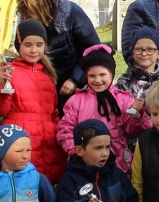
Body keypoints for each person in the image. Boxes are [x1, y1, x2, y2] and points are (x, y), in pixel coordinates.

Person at [0, 19, 66, 184]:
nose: (34, 50)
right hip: (20, 137)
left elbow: (53, 112)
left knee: (45, 187)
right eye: (28, 45)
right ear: (19, 45)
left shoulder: (48, 76)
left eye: (39, 45)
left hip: (47, 140)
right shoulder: (9, 72)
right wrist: (1, 86)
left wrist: (55, 133)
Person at [57, 44, 152, 175]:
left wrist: (138, 115)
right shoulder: (76, 101)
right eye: (92, 76)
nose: (97, 80)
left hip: (118, 166)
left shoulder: (123, 100)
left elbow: (134, 131)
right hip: (85, 165)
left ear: (111, 74)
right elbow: (65, 130)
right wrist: (76, 152)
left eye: (102, 74)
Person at [15, 0, 101, 113]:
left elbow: (93, 50)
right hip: (44, 84)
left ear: (41, 12)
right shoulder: (27, 24)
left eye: (29, 16)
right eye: (24, 17)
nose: (26, 20)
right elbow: (21, 48)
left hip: (75, 82)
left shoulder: (73, 14)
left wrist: (75, 79)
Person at [115, 27, 159, 112]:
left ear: (158, 54)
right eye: (138, 49)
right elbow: (116, 111)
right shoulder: (124, 83)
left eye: (150, 49)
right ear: (133, 53)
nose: (144, 53)